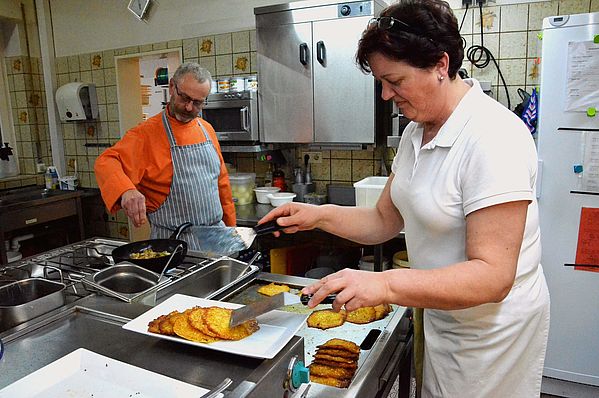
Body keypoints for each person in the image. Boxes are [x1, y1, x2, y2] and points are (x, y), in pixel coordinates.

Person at [259, 1, 550, 396]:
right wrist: (318, 215)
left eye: (394, 81)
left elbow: (493, 276)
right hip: (443, 312)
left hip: (492, 332)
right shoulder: (417, 132)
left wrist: (386, 285)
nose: (385, 95)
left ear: (440, 66)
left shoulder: (494, 137)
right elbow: (383, 220)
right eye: (381, 81)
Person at [95, 62, 236, 248]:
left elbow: (222, 185)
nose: (188, 107)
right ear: (172, 87)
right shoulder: (146, 134)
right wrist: (125, 190)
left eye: (198, 103)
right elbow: (106, 161)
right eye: (184, 98)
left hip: (217, 241)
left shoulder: (207, 130)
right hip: (172, 246)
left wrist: (232, 231)